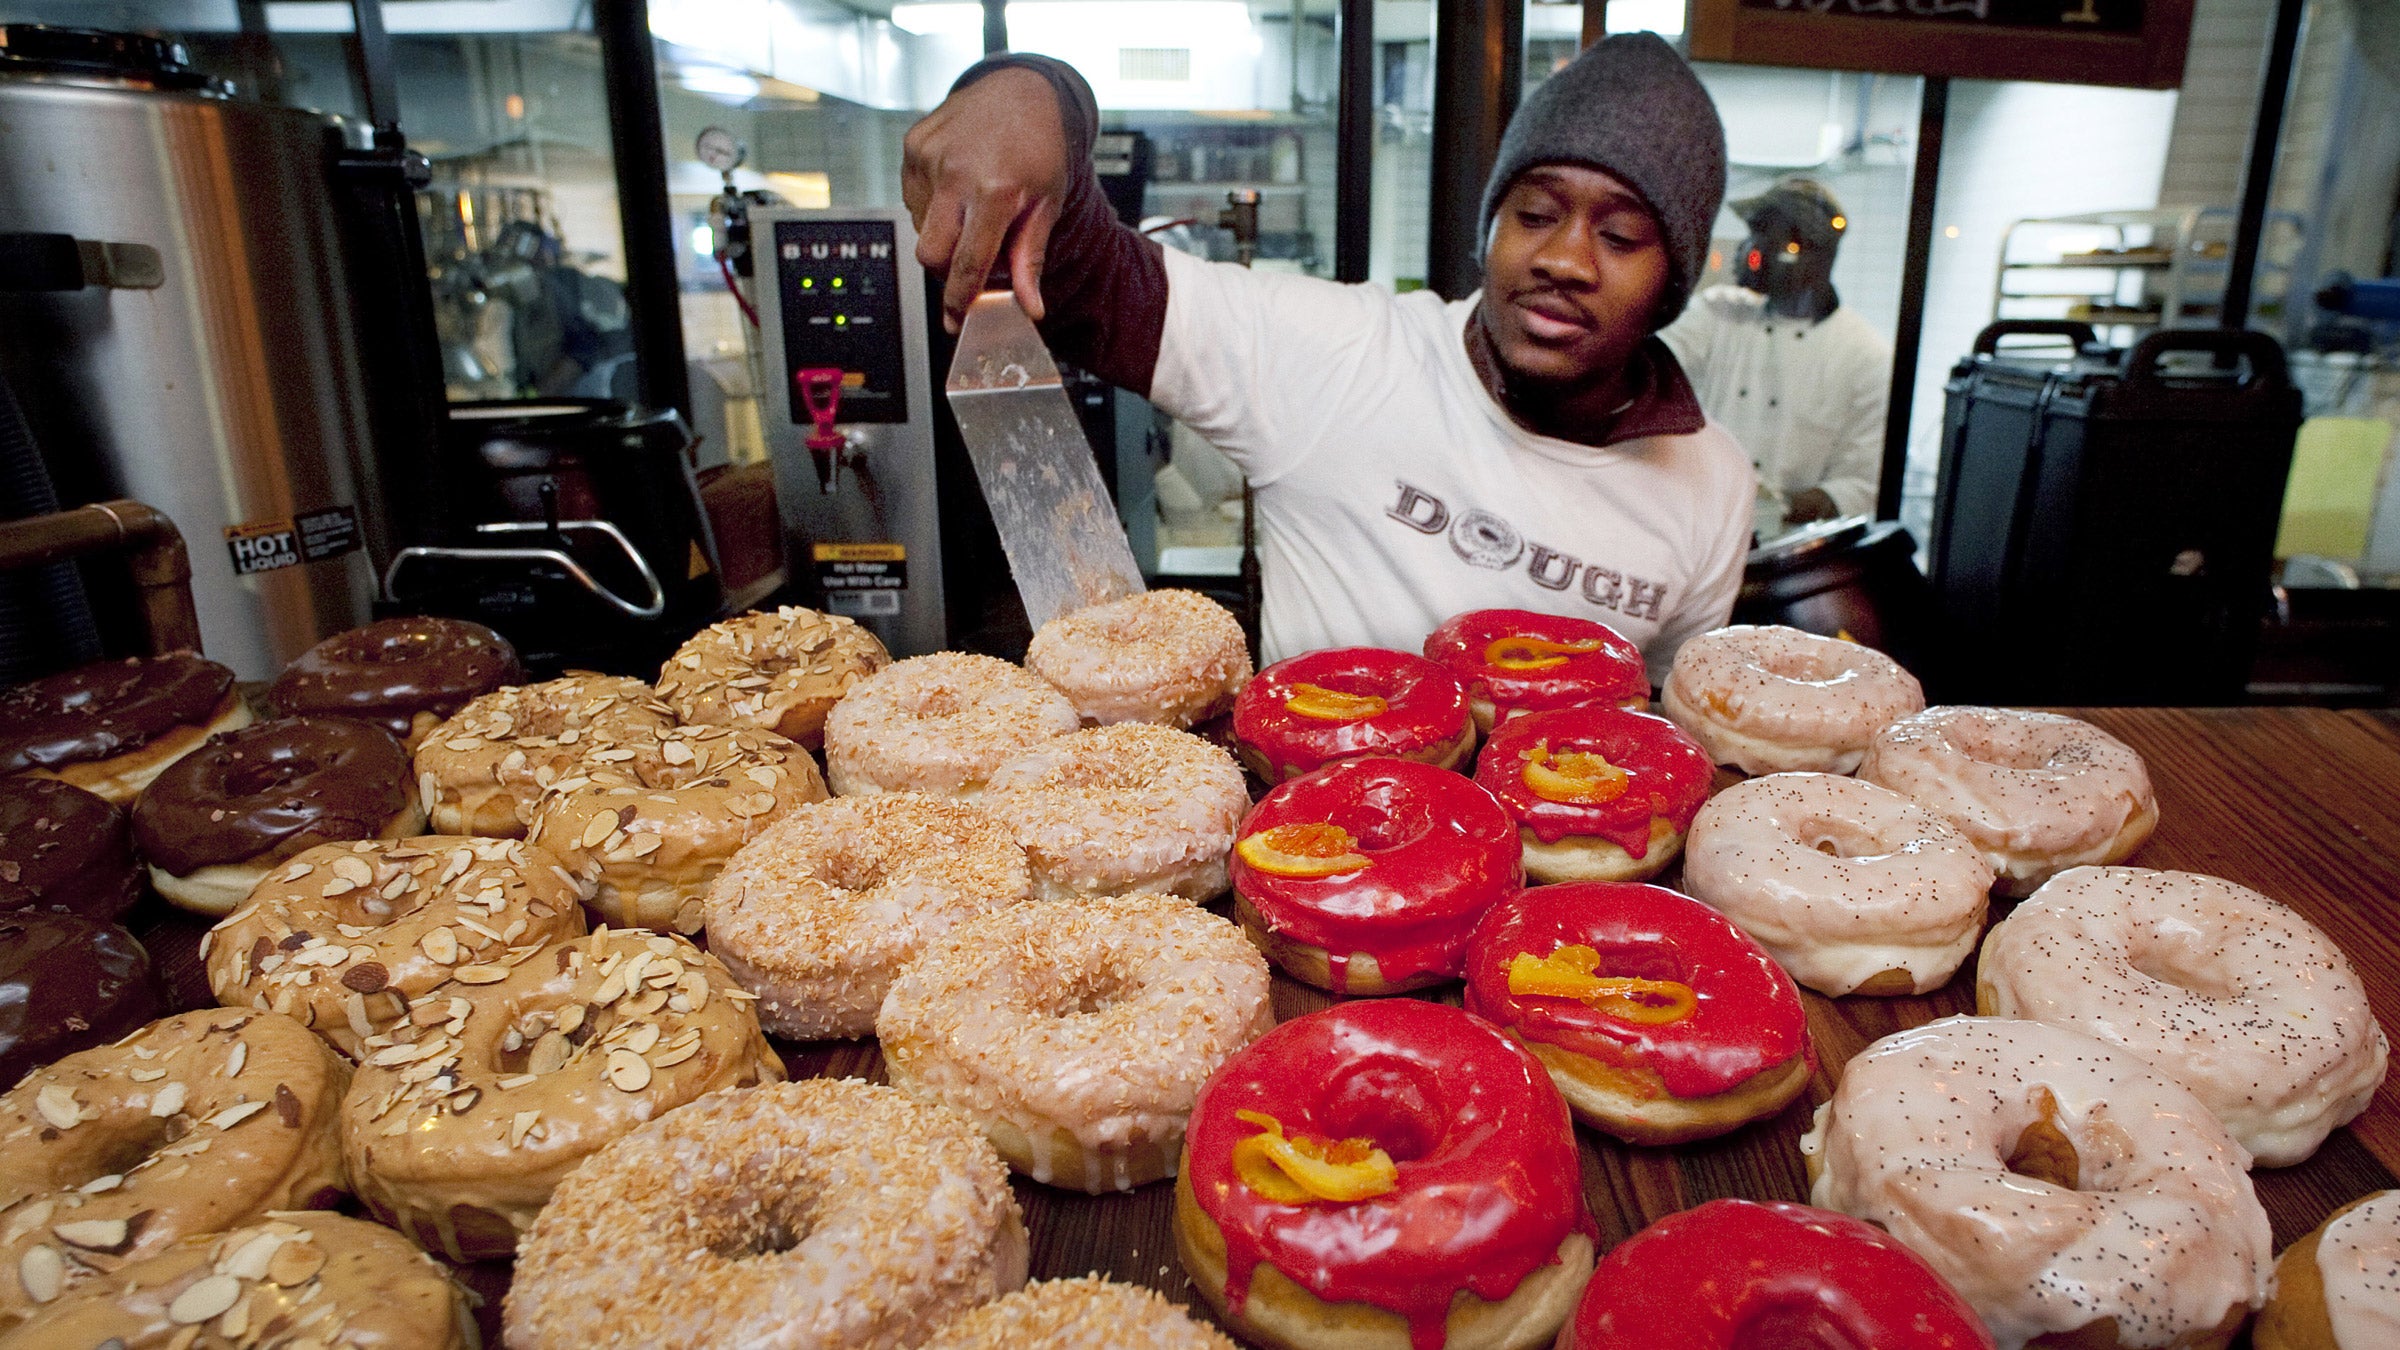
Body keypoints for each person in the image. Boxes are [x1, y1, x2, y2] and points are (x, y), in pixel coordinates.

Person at [903, 35, 1753, 680]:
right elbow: (1091, 278)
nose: (1565, 260)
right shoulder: (1337, 357)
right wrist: (1036, 92)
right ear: (1489, 227)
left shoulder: (1709, 481)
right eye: (1534, 215)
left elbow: (1675, 724)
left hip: (1554, 907)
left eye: (1620, 235)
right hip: (1305, 869)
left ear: (1672, 275)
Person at [1659, 176, 1892, 537]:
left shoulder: (1866, 356)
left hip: (1781, 554)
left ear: (1808, 252)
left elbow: (1861, 487)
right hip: (1689, 529)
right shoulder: (1718, 313)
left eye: (1767, 233)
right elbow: (1650, 366)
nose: (1751, 247)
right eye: (1754, 232)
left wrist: (1773, 504)